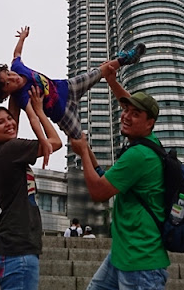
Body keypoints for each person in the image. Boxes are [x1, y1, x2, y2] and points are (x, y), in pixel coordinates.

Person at [0, 26, 146, 167]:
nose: (13, 78)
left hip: (67, 88)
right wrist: (43, 140)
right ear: (6, 93)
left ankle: (125, 59)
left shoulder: (17, 67)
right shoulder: (21, 96)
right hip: (63, 113)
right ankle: (97, 169)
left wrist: (22, 38)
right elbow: (33, 119)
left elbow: (17, 53)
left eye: (8, 74)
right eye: (8, 83)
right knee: (79, 141)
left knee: (98, 72)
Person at [71, 69, 170, 290]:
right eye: (125, 110)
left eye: (135, 114)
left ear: (150, 123)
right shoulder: (148, 144)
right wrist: (112, 82)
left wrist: (83, 152)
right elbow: (104, 179)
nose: (126, 116)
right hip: (123, 254)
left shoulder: (140, 155)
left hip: (141, 263)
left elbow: (98, 192)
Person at [0, 86, 62, 290]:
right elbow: (55, 143)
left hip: (13, 251)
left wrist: (15, 89)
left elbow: (13, 120)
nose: (9, 123)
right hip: (17, 252)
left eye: (9, 119)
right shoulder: (10, 150)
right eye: (0, 122)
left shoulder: (2, 153)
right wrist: (38, 110)